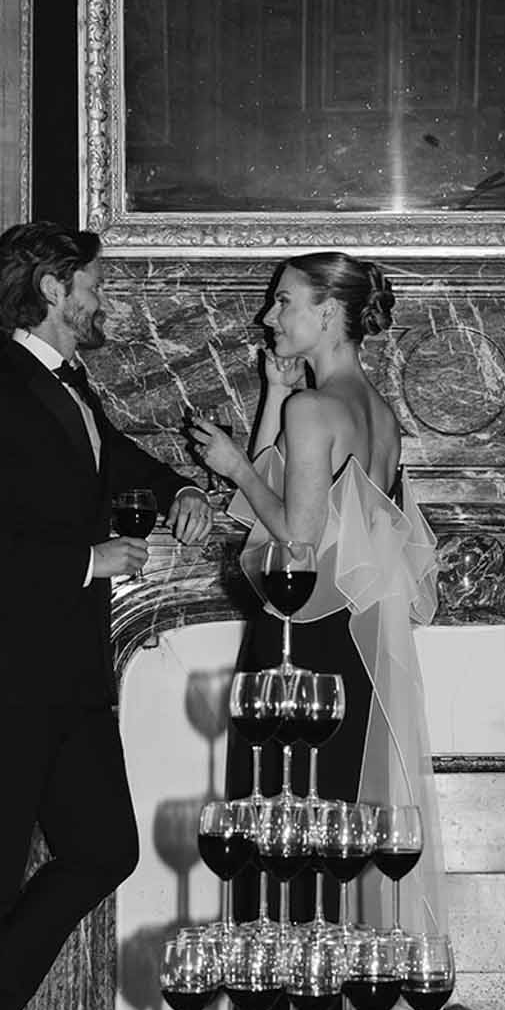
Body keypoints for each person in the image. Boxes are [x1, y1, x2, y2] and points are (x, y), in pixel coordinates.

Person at [0, 220, 212, 1010]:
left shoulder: (73, 390)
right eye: (89, 282)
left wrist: (184, 492)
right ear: (48, 290)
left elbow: (123, 469)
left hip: (72, 673)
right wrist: (89, 559)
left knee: (102, 848)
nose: (101, 296)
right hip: (0, 670)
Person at [188, 251, 446, 950]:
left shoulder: (315, 409)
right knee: (328, 831)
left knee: (272, 828)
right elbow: (278, 502)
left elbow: (294, 539)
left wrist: (233, 463)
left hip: (296, 647)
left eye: (284, 302)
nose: (269, 316)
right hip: (349, 647)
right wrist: (272, 392)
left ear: (328, 313)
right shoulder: (376, 413)